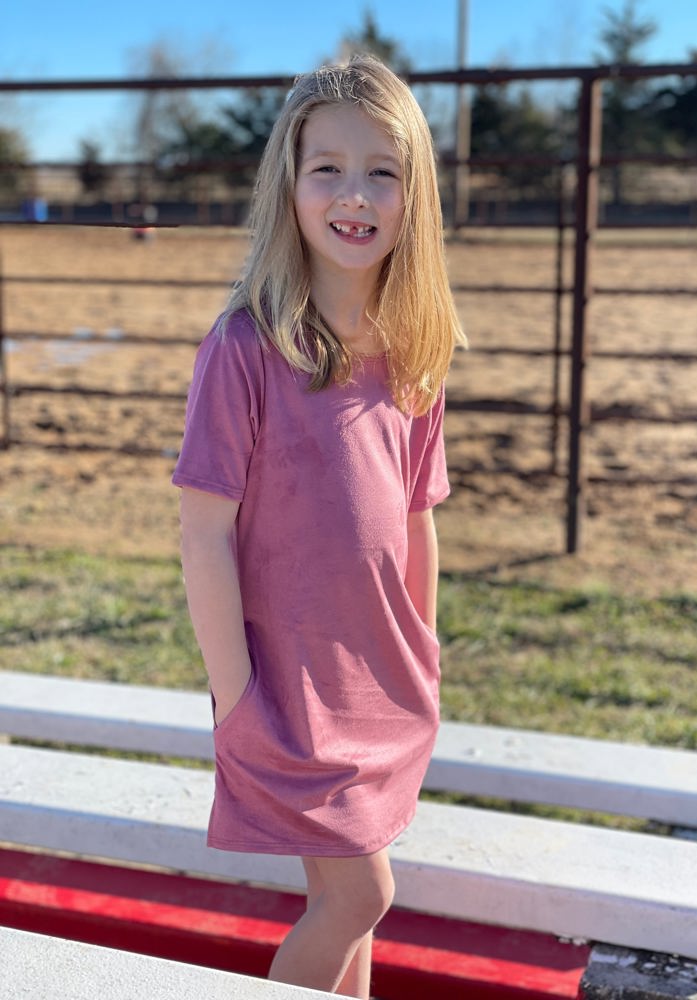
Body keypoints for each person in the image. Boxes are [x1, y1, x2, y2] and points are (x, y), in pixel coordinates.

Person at [172, 54, 466, 999]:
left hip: (383, 679)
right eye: (327, 167)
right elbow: (203, 534)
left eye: (383, 170)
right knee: (358, 899)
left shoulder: (415, 351)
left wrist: (424, 650)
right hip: (290, 689)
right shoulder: (247, 348)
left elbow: (418, 516)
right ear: (289, 185)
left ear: (412, 194)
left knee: (355, 898)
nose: (355, 193)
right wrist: (234, 700)